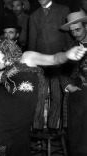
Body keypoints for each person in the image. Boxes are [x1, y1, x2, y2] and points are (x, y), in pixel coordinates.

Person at [29, 0, 71, 133]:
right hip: (41, 62)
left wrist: (69, 55)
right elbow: (32, 43)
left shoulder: (63, 10)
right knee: (39, 95)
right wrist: (31, 63)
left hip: (58, 60)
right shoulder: (34, 15)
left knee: (57, 94)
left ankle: (53, 125)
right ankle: (37, 126)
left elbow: (69, 36)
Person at [60, 11, 87, 156]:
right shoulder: (69, 49)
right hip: (78, 97)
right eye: (72, 31)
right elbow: (61, 72)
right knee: (76, 138)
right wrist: (68, 86)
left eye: (78, 30)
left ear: (86, 27)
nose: (75, 34)